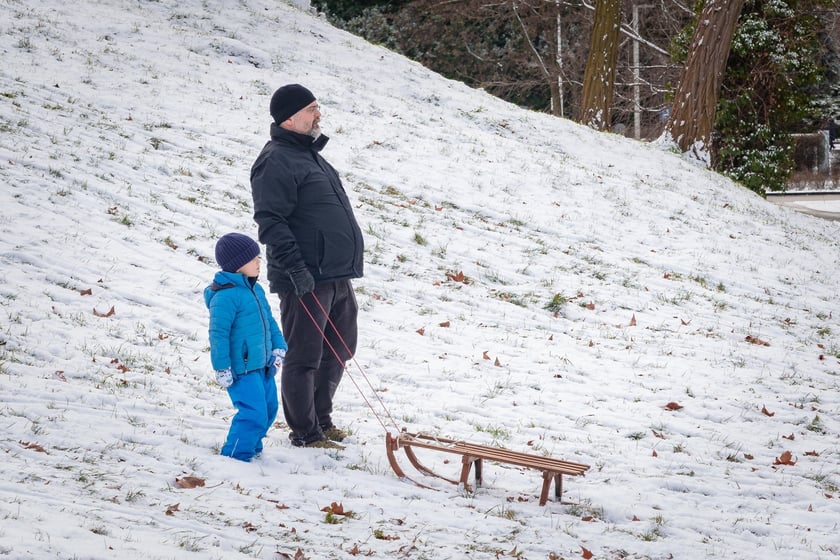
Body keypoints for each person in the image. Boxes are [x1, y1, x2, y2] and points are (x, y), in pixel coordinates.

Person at [250, 83, 364, 450]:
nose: (319, 114)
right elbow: (271, 222)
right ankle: (305, 432)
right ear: (290, 117)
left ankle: (322, 419)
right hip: (305, 277)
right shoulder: (275, 160)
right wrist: (296, 269)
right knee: (305, 355)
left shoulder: (310, 155)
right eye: (312, 108)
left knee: (340, 349)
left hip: (335, 274)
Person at [204, 232, 288, 461]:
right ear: (237, 265)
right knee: (253, 413)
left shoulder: (255, 290)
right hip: (241, 369)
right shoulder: (225, 297)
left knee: (269, 410)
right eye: (253, 259)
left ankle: (250, 445)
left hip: (263, 365)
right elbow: (218, 335)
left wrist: (278, 347)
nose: (259, 263)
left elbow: (269, 322)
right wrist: (222, 367)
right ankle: (235, 456)